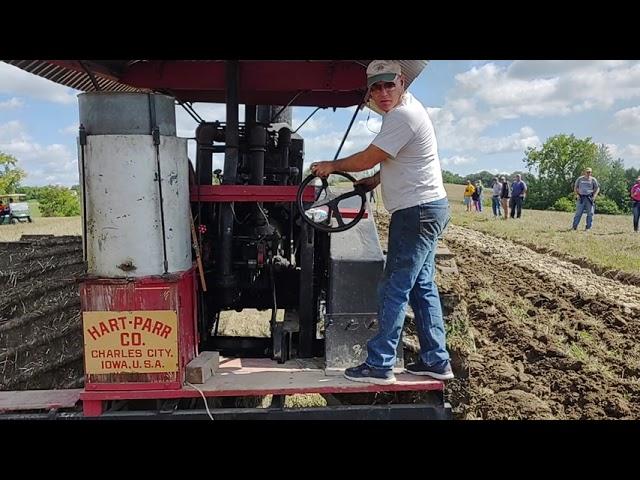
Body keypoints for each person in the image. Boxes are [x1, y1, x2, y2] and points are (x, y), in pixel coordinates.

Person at [310, 60, 453, 384]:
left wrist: (331, 166)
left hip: (415, 213)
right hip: (428, 208)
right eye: (376, 87)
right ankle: (436, 359)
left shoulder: (402, 116)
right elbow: (394, 160)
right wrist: (374, 181)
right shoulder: (405, 110)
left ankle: (380, 364)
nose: (383, 92)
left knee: (394, 287)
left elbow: (368, 156)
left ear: (401, 82)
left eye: (388, 85)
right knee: (422, 285)